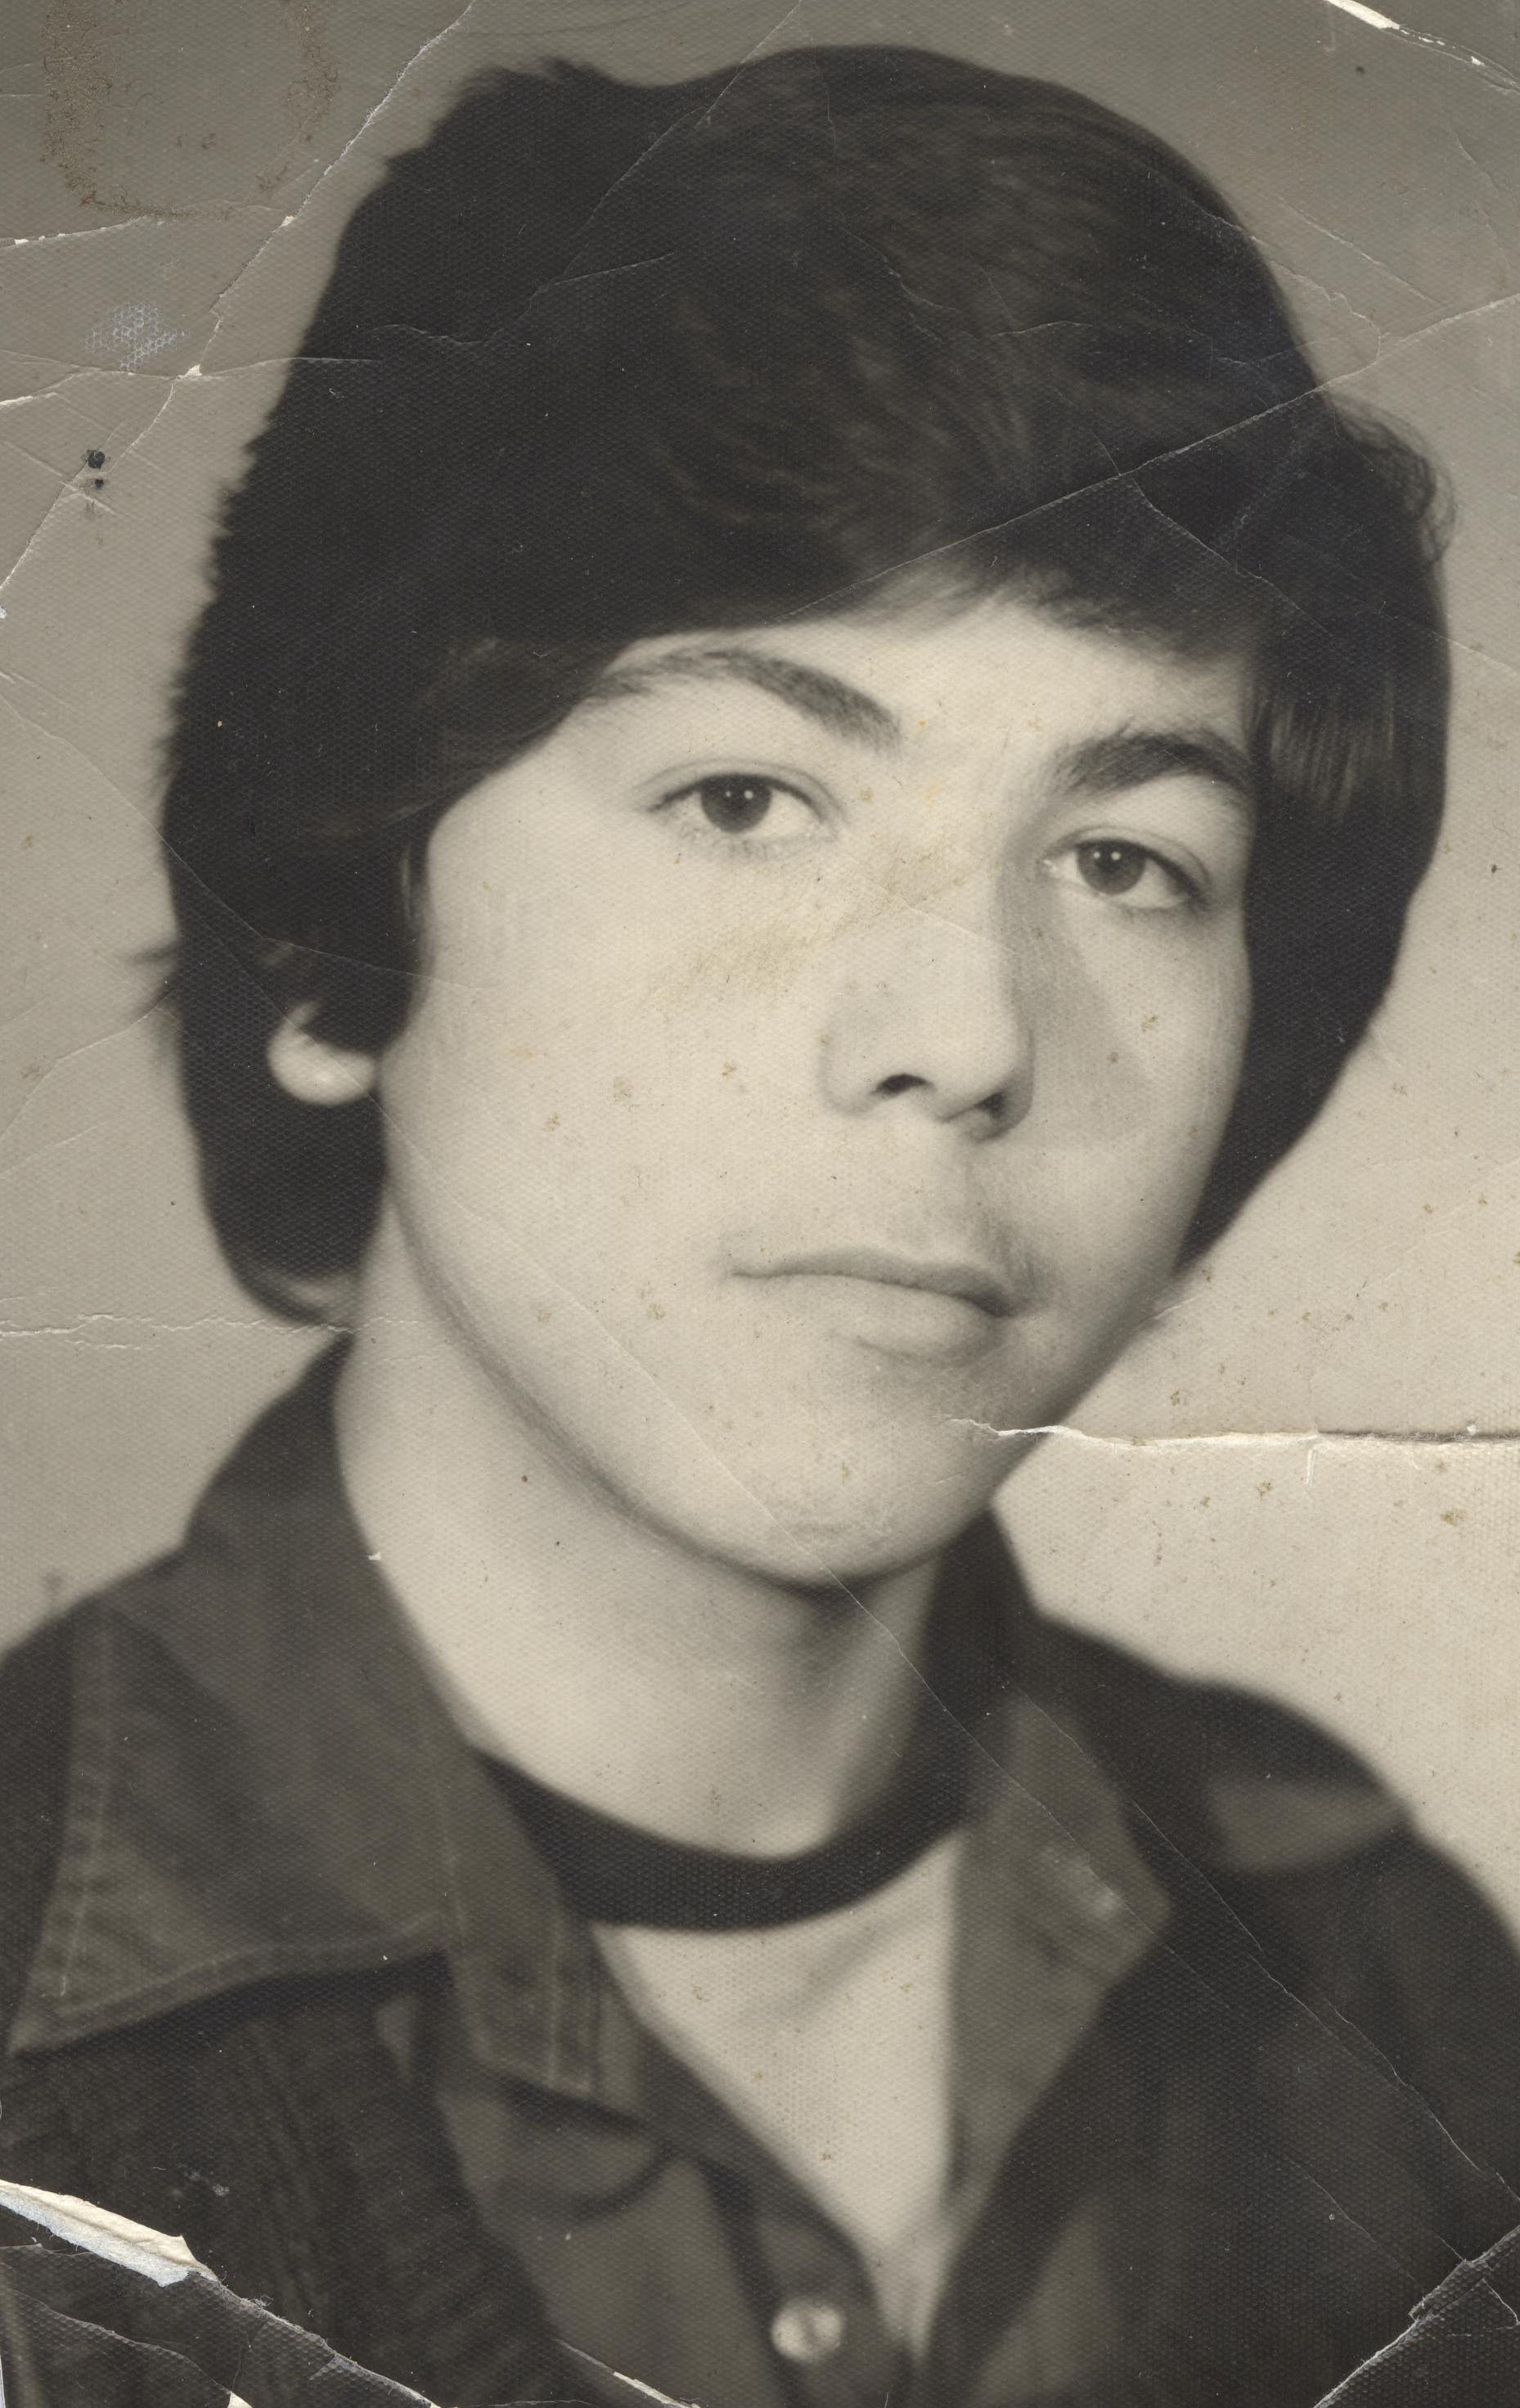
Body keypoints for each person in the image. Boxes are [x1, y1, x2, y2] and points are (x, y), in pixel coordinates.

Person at [1, 43, 1517, 2408]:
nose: (967, 1034)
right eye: (744, 797)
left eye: (1126, 859)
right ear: (329, 938)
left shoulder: (1389, 1989)